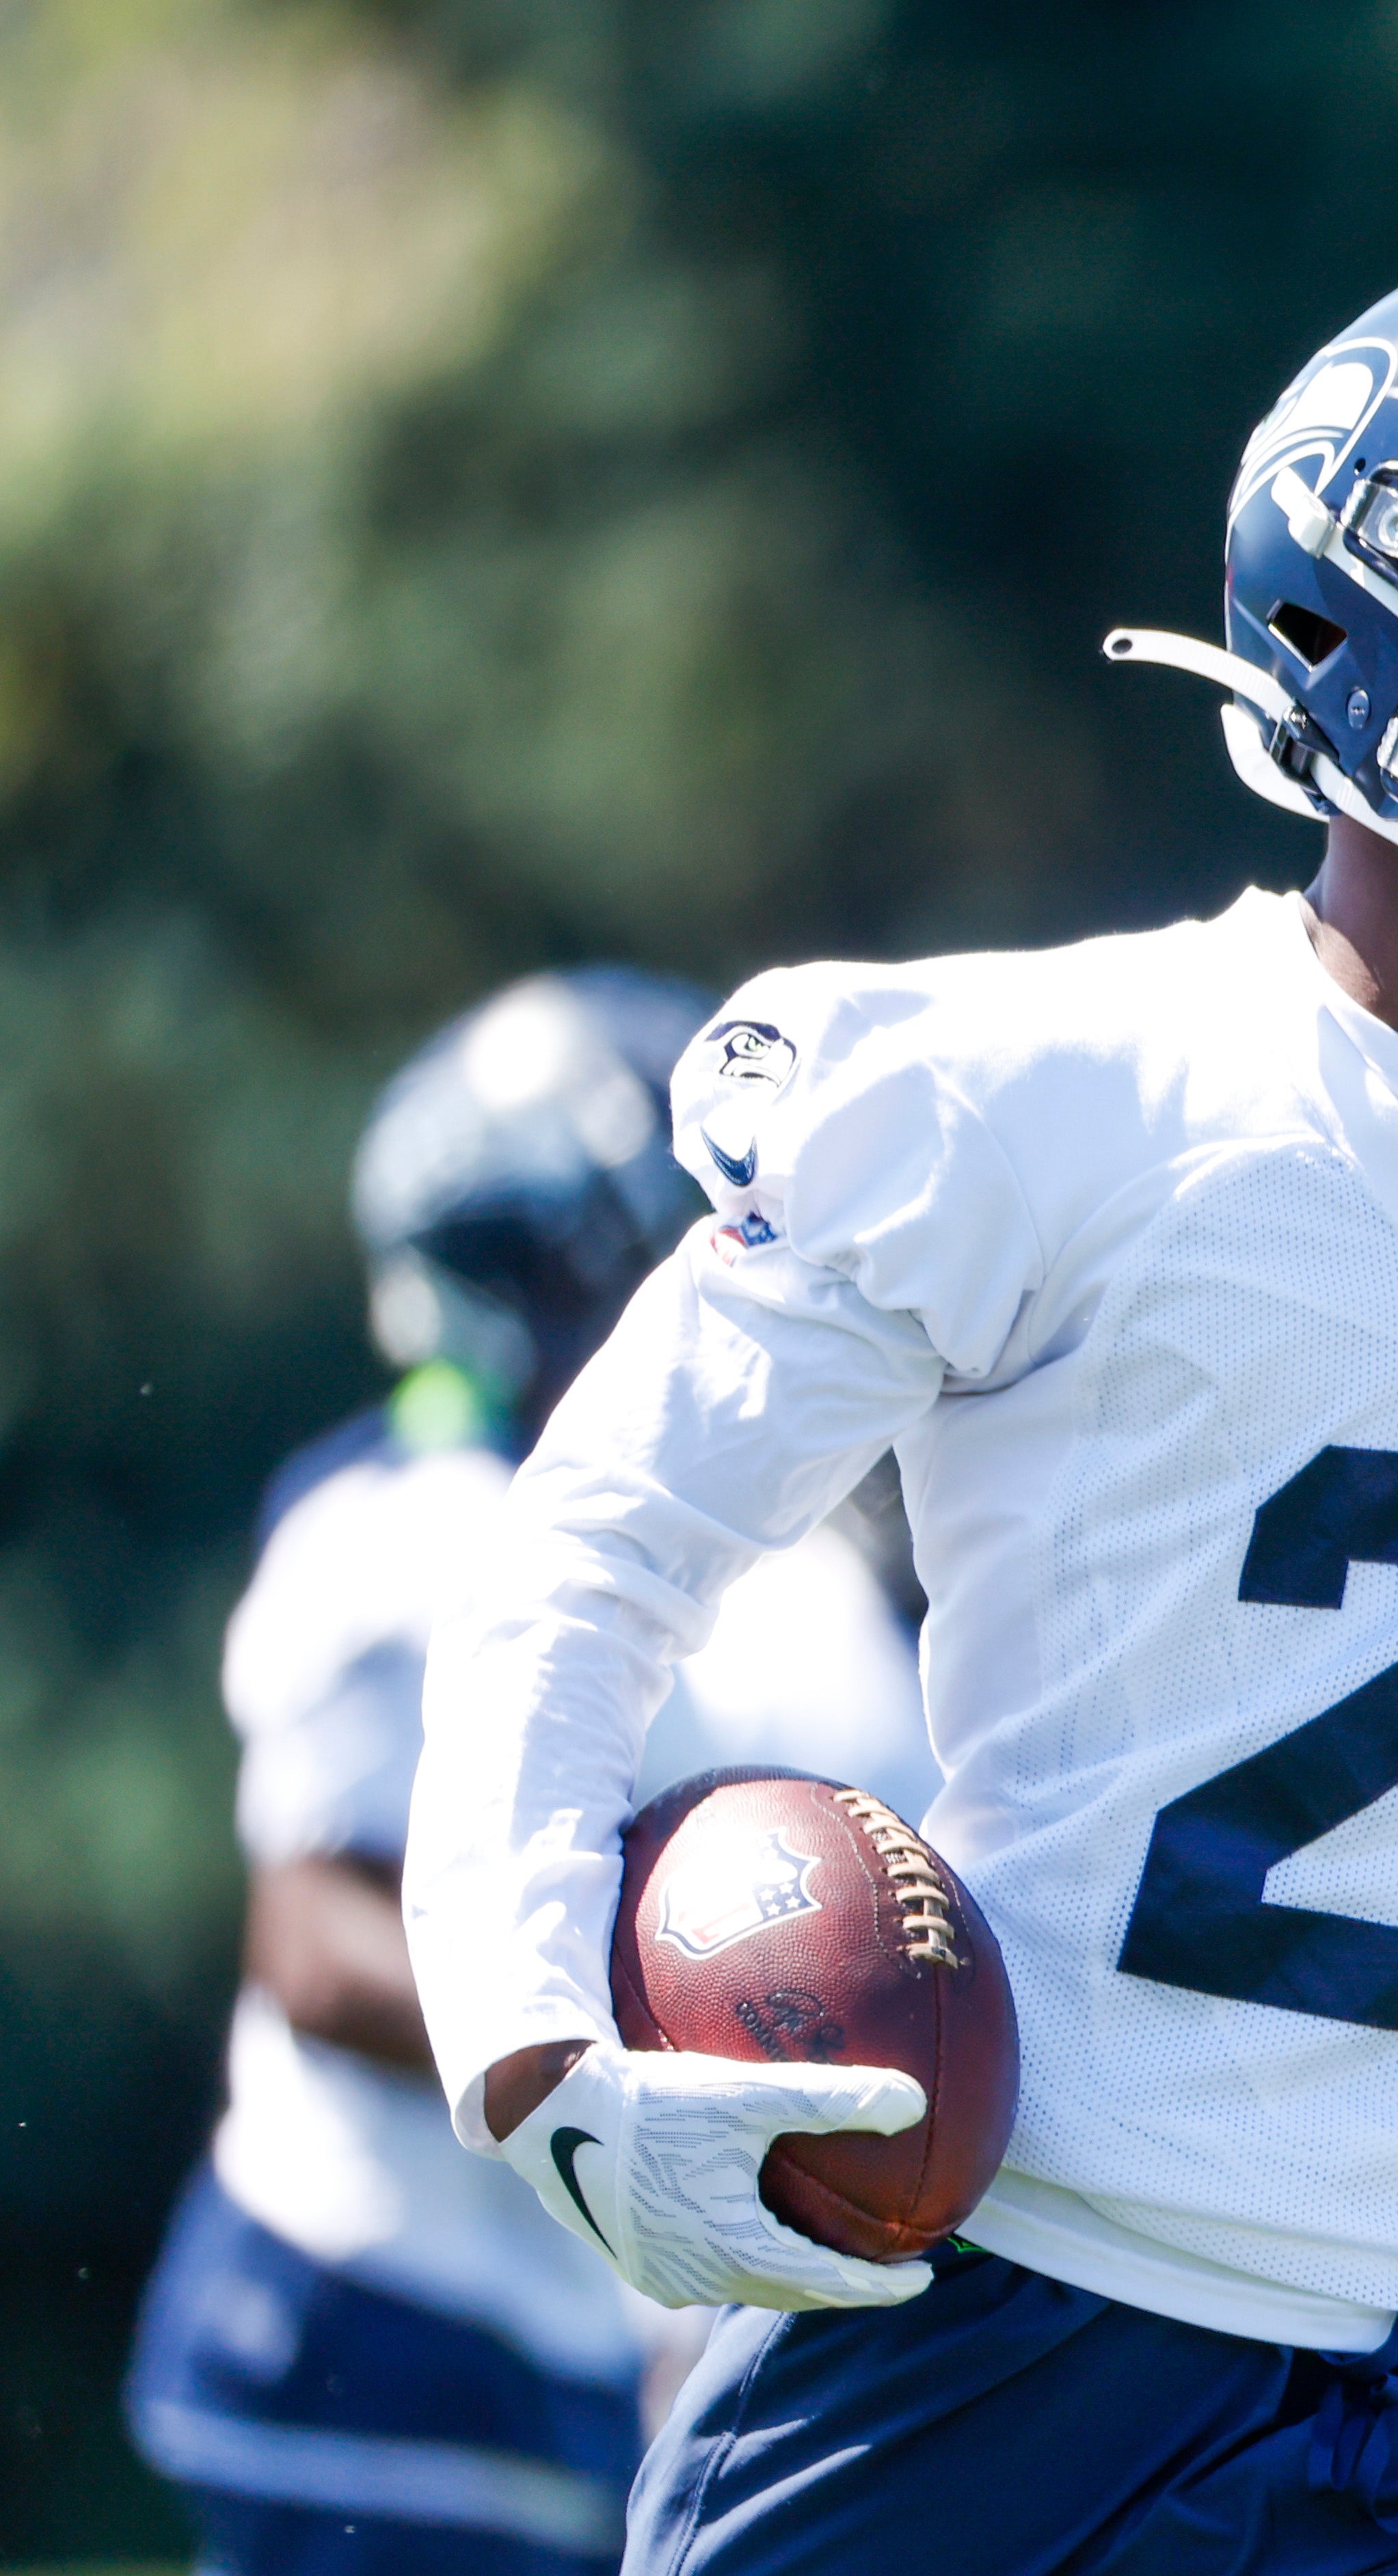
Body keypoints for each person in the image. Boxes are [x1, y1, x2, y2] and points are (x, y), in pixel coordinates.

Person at [399, 248, 1398, 2574]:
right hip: (1022, 2323)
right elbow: (596, 1545)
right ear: (1354, 632)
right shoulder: (1043, 1096)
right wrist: (531, 2025)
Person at [125, 970, 936, 2576]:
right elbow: (312, 1935)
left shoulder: (797, 1584)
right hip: (384, 2310)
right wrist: (615, 2067)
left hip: (604, 2326)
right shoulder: (406, 1521)